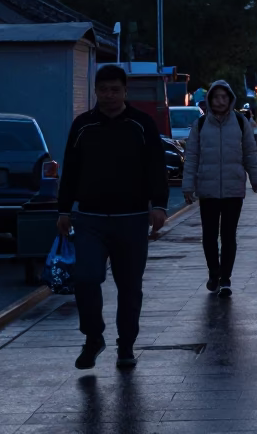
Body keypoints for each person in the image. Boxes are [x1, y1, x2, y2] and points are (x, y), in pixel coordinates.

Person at [57, 65, 169, 370]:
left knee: (129, 286)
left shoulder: (141, 124)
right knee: (86, 278)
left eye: (115, 90)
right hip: (90, 219)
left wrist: (159, 204)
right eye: (103, 89)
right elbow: (70, 169)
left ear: (125, 91)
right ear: (95, 91)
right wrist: (64, 209)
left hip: (132, 219)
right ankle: (93, 336)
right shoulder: (83, 125)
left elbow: (156, 167)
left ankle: (126, 345)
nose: (109, 95)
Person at [182, 80, 257, 298]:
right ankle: (213, 273)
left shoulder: (239, 122)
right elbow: (191, 157)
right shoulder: (200, 125)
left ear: (230, 100)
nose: (219, 101)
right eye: (215, 97)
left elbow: (249, 152)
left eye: (223, 97)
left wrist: (256, 178)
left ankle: (226, 278)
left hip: (233, 189)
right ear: (209, 100)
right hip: (207, 190)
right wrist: (188, 185)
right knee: (209, 235)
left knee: (228, 235)